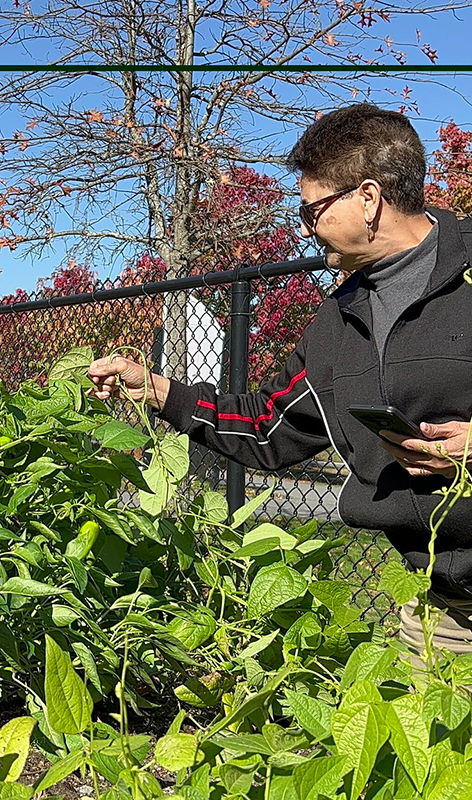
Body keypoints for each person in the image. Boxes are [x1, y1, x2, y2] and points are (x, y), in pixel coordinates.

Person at [89, 103, 472, 659]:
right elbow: (269, 427)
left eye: (312, 210)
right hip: (442, 611)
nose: (306, 229)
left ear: (368, 198)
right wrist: (155, 389)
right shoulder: (340, 320)